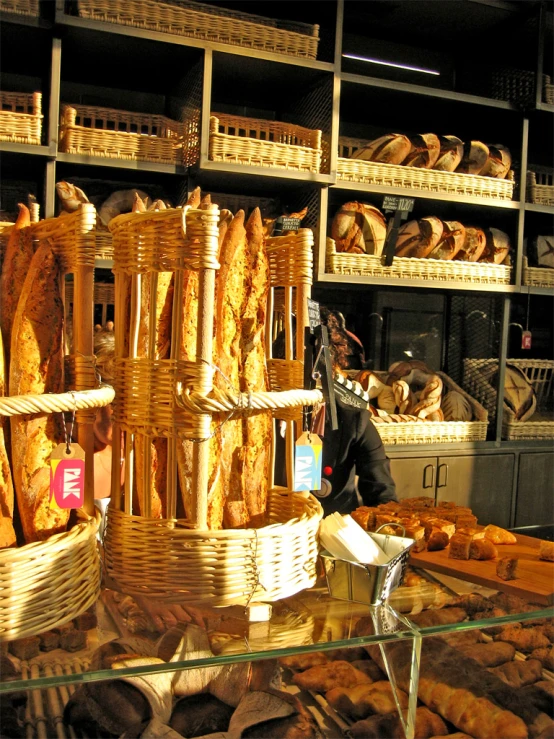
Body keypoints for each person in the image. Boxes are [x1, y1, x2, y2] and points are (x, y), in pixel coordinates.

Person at [274, 307, 397, 514]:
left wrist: (386, 533)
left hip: (333, 531)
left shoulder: (352, 417)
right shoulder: (258, 416)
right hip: (270, 534)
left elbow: (381, 492)